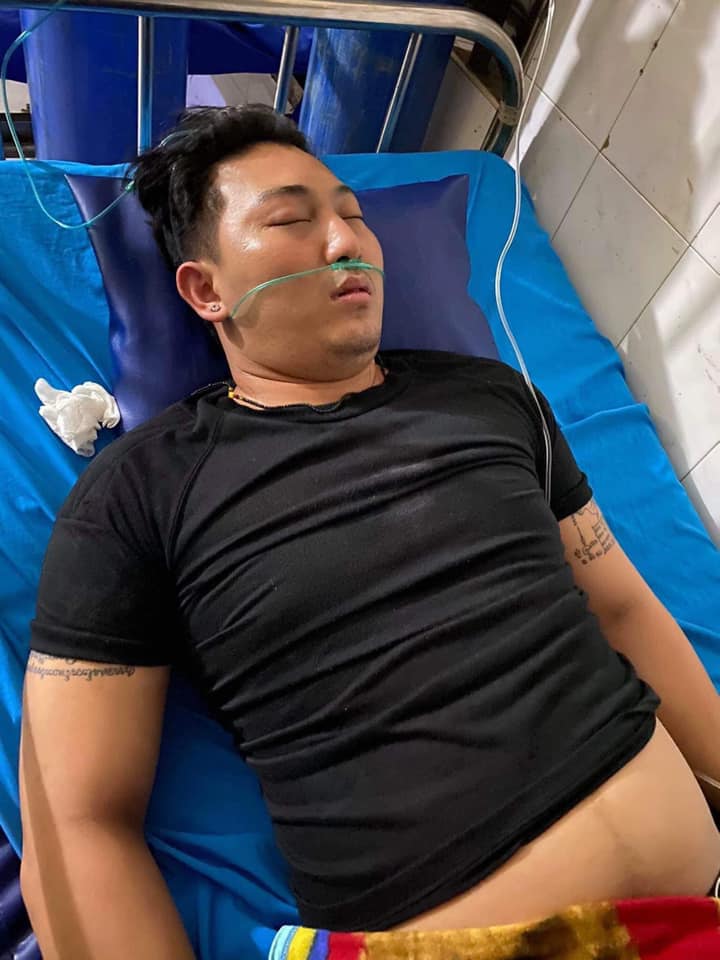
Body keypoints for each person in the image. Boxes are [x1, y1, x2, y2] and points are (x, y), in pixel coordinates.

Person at [19, 105, 720, 960]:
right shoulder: (139, 495)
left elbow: (621, 608)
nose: (344, 241)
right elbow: (76, 819)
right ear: (205, 290)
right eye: (291, 221)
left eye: (354, 215)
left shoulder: (494, 398)